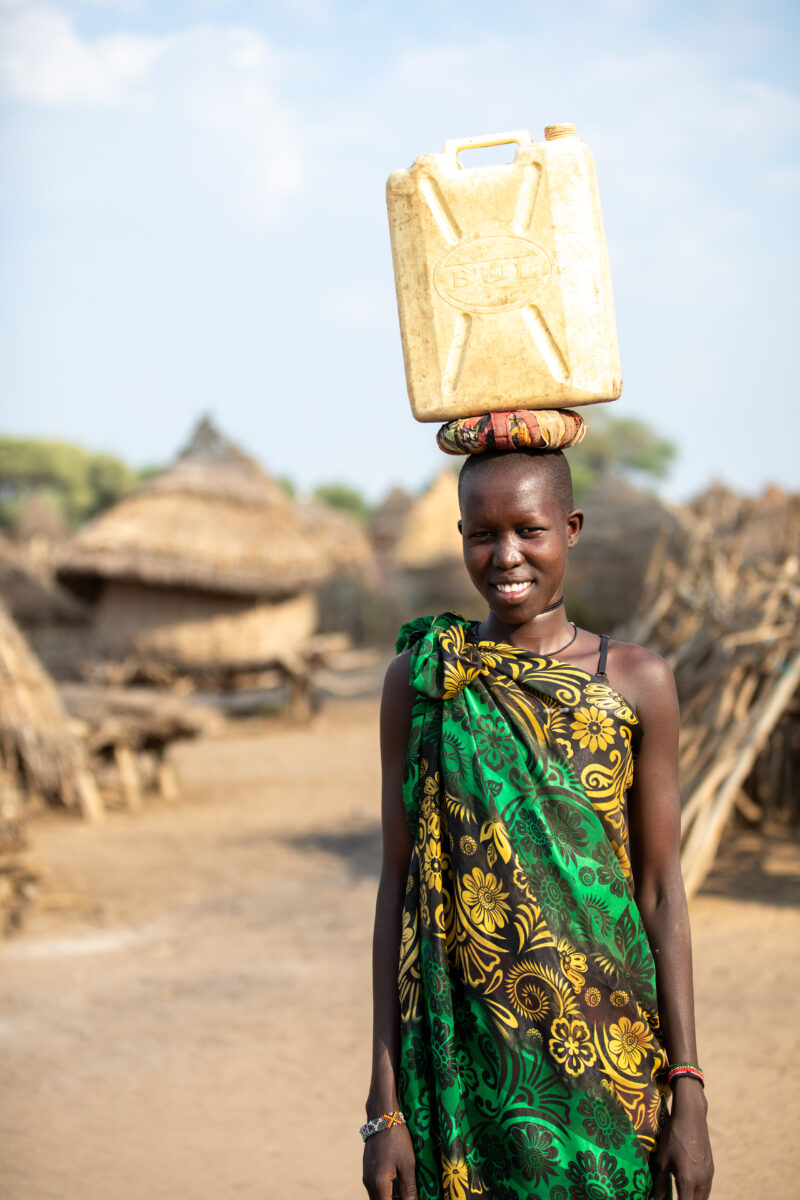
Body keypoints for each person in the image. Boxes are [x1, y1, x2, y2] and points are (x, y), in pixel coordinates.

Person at [362, 447, 714, 1200]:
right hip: (464, 1084)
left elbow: (660, 893)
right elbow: (397, 887)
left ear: (572, 527)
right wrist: (384, 1103)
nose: (506, 556)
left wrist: (688, 1087)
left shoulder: (636, 682)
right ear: (459, 535)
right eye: (481, 534)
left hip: (613, 1081)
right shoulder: (426, 681)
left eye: (529, 529)